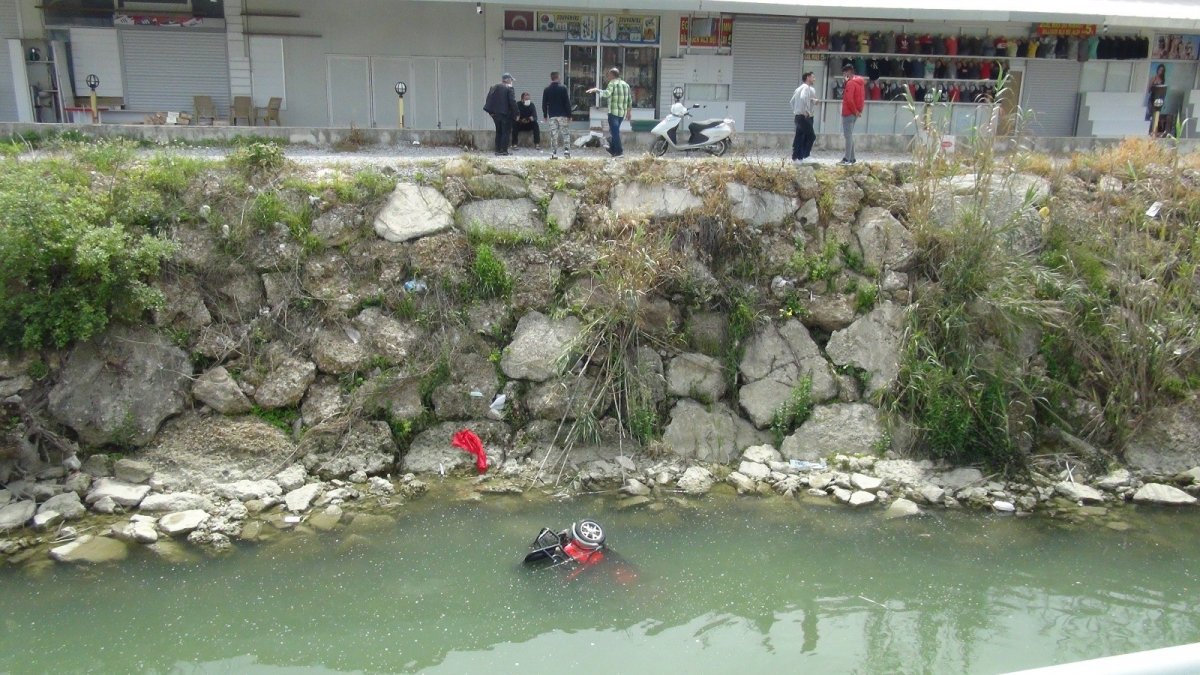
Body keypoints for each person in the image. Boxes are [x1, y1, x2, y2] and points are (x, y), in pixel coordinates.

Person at [587, 68, 631, 158]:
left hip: (613, 112)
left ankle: (619, 152)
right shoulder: (626, 85)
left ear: (612, 75)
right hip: (622, 113)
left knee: (614, 132)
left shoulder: (612, 83)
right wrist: (629, 112)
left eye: (608, 75)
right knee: (614, 131)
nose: (607, 77)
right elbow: (629, 100)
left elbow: (607, 94)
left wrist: (597, 90)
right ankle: (613, 150)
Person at [483, 73, 518, 156]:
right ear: (507, 79)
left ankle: (498, 150)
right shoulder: (509, 88)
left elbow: (488, 99)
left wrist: (490, 112)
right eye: (511, 80)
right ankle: (504, 150)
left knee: (498, 131)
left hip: (495, 114)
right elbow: (512, 101)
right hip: (506, 114)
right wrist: (517, 112)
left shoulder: (494, 87)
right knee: (506, 132)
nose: (511, 82)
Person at [542, 71, 573, 159]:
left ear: (551, 78)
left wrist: (545, 115)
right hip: (562, 115)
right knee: (565, 133)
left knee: (553, 134)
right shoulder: (563, 88)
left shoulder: (547, 89)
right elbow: (567, 102)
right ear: (558, 77)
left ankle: (554, 153)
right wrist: (569, 115)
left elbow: (544, 103)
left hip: (552, 115)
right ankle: (566, 151)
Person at [839, 64, 865, 165]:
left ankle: (847, 159)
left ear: (848, 72)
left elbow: (849, 99)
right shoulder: (860, 82)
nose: (843, 75)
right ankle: (852, 158)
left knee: (848, 136)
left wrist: (855, 111)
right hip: (855, 113)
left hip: (849, 112)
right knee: (850, 135)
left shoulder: (850, 83)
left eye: (844, 73)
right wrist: (858, 111)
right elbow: (861, 97)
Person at [790, 71, 818, 162]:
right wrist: (806, 111)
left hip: (797, 116)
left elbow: (792, 101)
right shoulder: (806, 87)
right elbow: (803, 98)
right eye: (813, 77)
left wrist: (795, 110)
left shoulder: (798, 88)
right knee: (811, 136)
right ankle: (806, 156)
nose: (814, 79)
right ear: (808, 77)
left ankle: (796, 158)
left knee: (799, 136)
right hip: (803, 116)